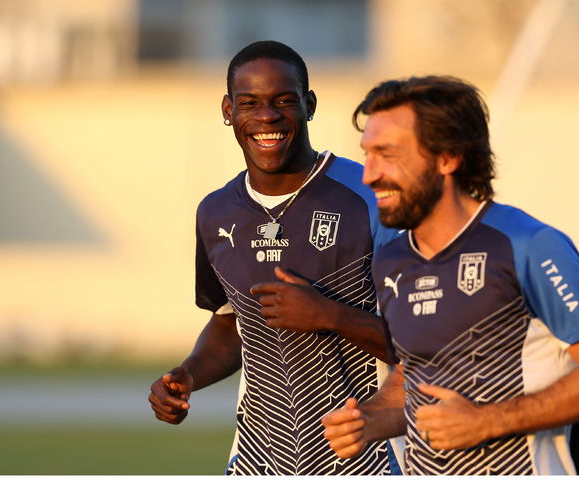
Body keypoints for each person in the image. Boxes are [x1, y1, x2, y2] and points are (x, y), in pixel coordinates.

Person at [321, 75, 579, 475]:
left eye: (388, 154)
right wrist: (367, 421)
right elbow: (413, 376)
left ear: (448, 158)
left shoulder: (528, 245)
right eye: (368, 154)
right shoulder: (392, 260)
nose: (369, 175)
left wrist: (487, 422)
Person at [147, 41, 403, 475]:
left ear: (309, 105)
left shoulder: (372, 197)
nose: (267, 117)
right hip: (258, 459)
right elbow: (231, 323)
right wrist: (188, 375)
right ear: (228, 110)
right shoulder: (215, 212)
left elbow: (424, 343)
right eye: (249, 103)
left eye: (284, 101)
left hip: (367, 458)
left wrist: (329, 315)